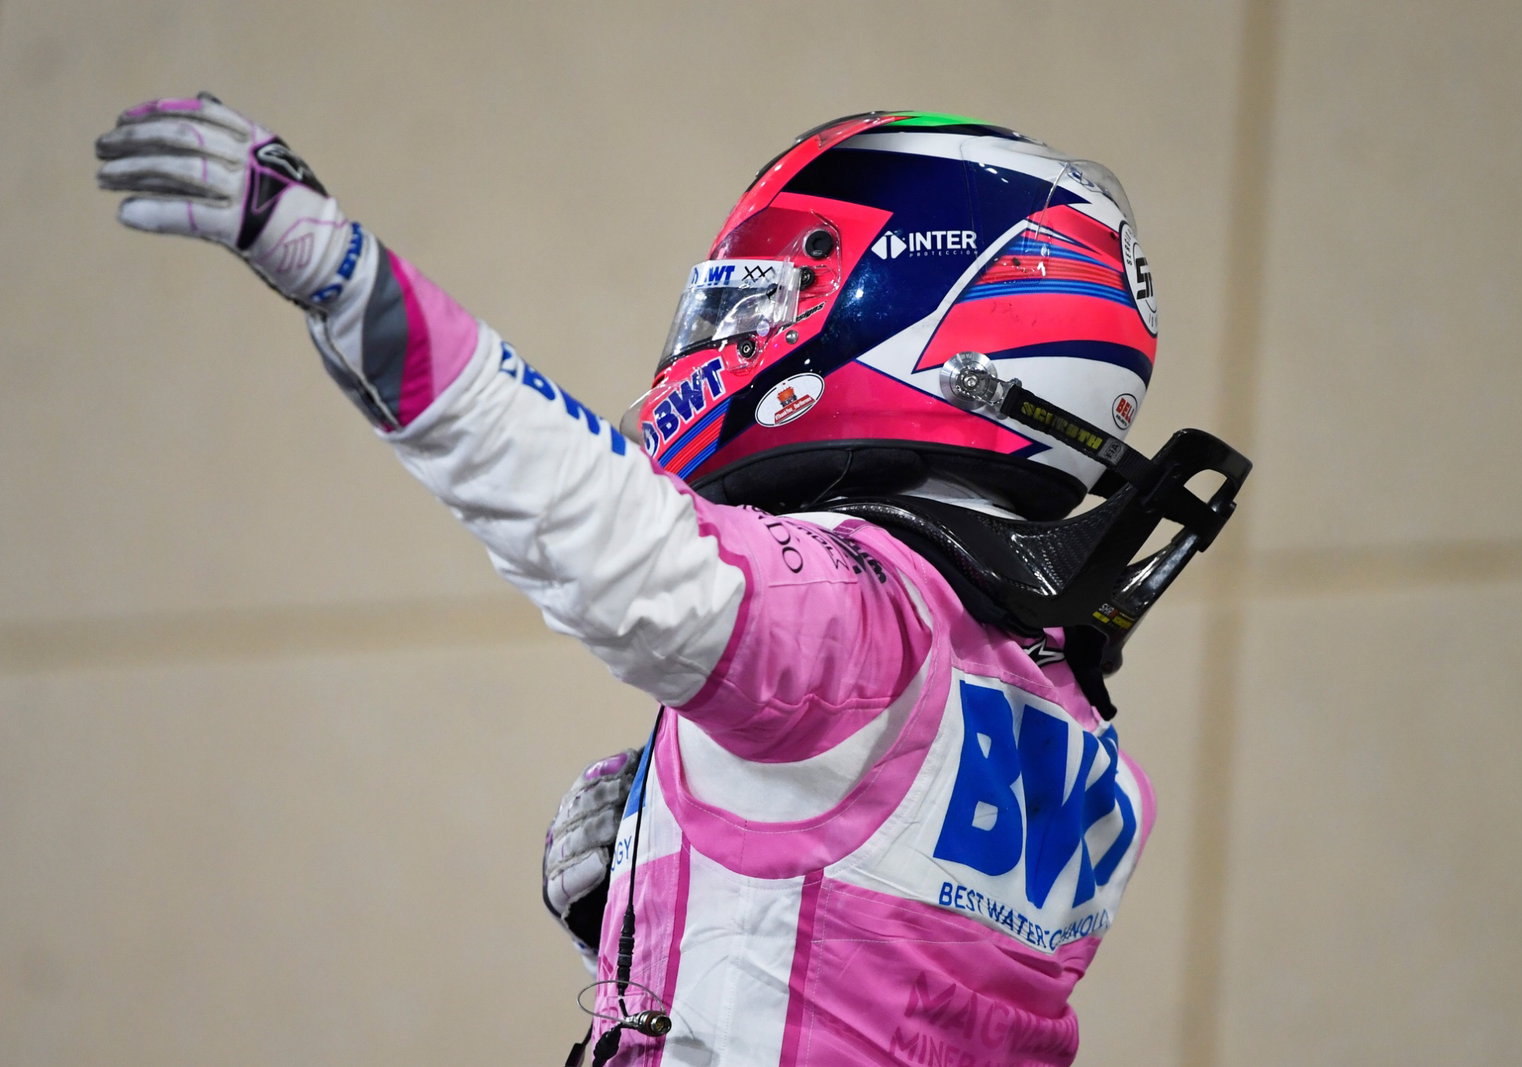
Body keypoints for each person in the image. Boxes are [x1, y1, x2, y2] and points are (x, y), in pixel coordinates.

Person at [96, 97, 1248, 1066]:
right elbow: (889, 990)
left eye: (765, 298)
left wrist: (344, 279)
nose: (727, 333)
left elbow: (592, 527)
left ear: (938, 323)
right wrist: (653, 917)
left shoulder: (863, 621)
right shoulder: (1071, 721)